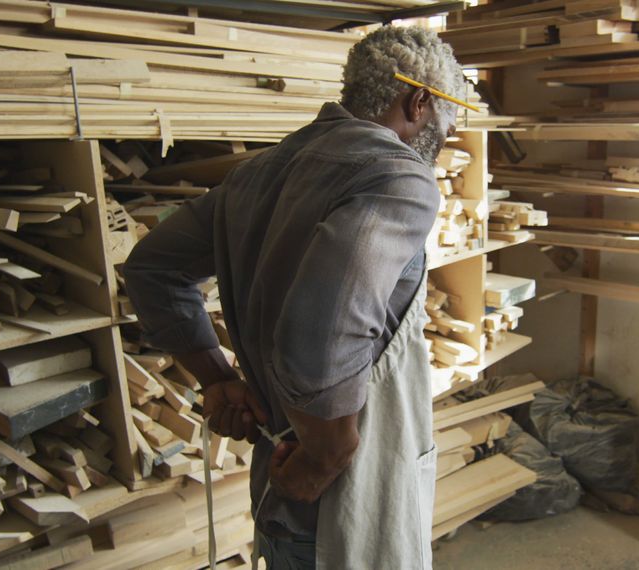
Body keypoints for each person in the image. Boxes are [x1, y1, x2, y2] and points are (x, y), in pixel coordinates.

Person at [123, 25, 464, 570]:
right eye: (448, 122)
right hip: (335, 496)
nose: (445, 141)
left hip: (281, 477)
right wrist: (328, 455)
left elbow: (152, 268)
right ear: (419, 101)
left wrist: (216, 377)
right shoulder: (399, 178)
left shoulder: (256, 172)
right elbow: (320, 331)